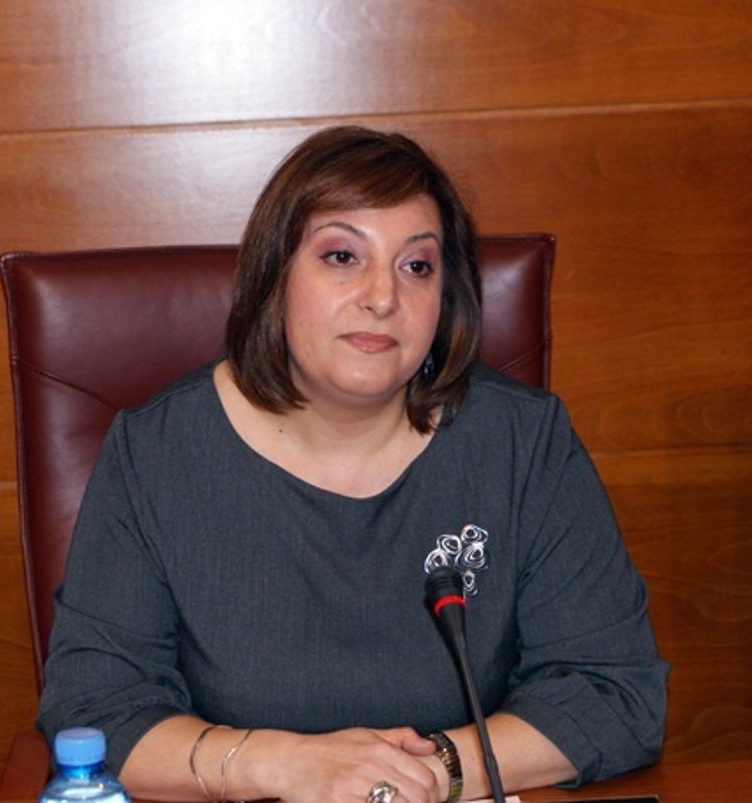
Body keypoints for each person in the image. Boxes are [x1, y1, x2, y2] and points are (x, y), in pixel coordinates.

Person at [36, 126, 668, 803]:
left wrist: (419, 775)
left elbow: (613, 691)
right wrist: (289, 766)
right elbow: (95, 710)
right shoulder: (158, 454)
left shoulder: (521, 442)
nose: (382, 296)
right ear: (274, 276)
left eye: (416, 266)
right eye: (342, 256)